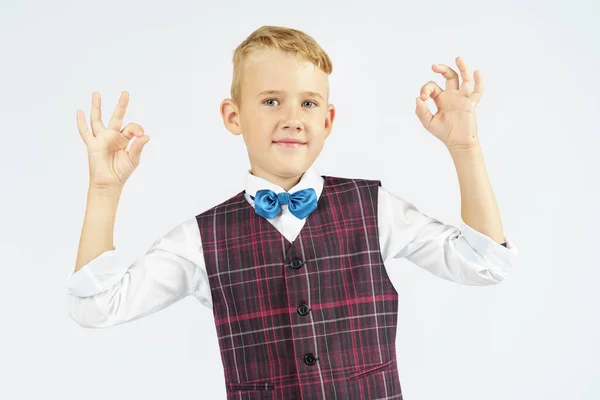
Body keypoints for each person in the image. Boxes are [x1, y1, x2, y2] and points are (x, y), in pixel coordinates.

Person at [67, 25, 518, 399]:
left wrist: (465, 148)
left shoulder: (374, 209)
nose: (292, 117)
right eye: (269, 101)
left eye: (308, 102)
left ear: (328, 119)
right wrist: (104, 189)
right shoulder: (200, 239)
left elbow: (485, 264)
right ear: (233, 116)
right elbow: (95, 307)